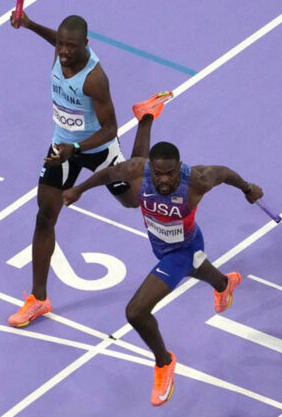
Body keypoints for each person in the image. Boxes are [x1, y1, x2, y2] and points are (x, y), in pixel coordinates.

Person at [62, 94, 264, 406]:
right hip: (164, 246)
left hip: (181, 249)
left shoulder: (196, 179)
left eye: (170, 173)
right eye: (159, 174)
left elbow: (224, 172)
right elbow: (108, 174)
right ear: (150, 169)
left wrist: (249, 188)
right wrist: (78, 189)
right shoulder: (136, 170)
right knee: (198, 267)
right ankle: (225, 283)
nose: (165, 180)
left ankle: (164, 362)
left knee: (136, 312)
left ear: (178, 167)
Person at [7, 12, 140, 328]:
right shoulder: (60, 50)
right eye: (61, 44)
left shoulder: (95, 79)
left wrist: (77, 149)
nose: (63, 51)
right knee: (44, 216)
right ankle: (39, 299)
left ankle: (146, 122)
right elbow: (55, 38)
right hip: (62, 145)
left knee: (132, 201)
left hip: (98, 150)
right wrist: (29, 24)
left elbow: (111, 129)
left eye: (70, 46)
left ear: (85, 45)